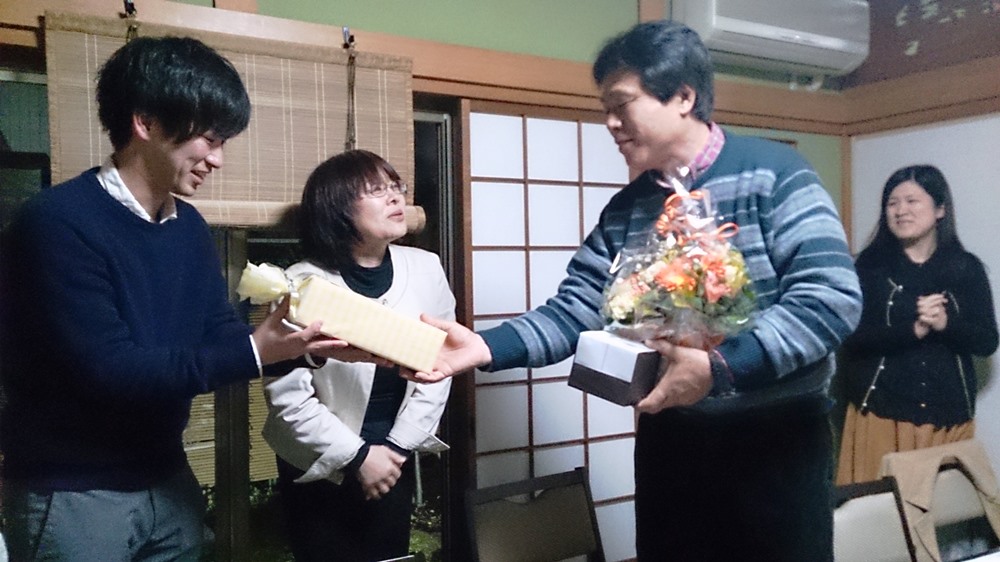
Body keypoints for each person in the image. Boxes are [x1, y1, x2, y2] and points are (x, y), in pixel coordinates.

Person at [411, 20, 861, 561]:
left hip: (778, 440)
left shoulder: (774, 174)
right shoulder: (627, 210)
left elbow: (829, 299)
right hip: (671, 439)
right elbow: (576, 309)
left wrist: (721, 368)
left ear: (683, 97)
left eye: (622, 104)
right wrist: (486, 346)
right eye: (606, 108)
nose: (610, 122)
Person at [0, 36, 342, 561]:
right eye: (209, 139)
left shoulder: (188, 227)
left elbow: (217, 332)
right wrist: (256, 351)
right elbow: (109, 369)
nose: (218, 160)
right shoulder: (56, 223)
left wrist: (302, 345)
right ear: (146, 122)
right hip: (74, 489)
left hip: (168, 475)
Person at [261, 149, 455, 562]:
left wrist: (396, 449)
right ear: (337, 208)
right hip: (317, 457)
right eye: (376, 190)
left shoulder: (427, 268)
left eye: (396, 187)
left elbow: (441, 363)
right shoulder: (301, 284)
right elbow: (288, 396)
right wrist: (358, 456)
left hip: (395, 454)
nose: (396, 197)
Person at [835, 165, 998, 485]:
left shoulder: (966, 268)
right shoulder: (869, 266)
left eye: (912, 201)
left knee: (945, 507)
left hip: (947, 418)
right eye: (892, 203)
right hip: (880, 413)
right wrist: (913, 330)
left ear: (940, 210)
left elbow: (986, 341)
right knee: (875, 506)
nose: (901, 211)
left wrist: (946, 324)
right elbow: (852, 338)